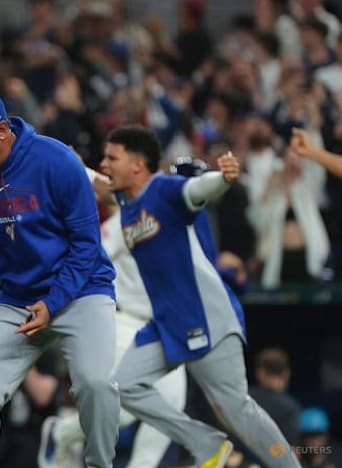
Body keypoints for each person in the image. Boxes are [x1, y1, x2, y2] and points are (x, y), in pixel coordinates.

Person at [0, 89, 120, 468]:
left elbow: (85, 247)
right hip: (18, 299)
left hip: (82, 291)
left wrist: (54, 303)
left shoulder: (57, 161)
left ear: (2, 130)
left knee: (95, 384)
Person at [99, 124, 299, 468]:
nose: (104, 163)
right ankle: (206, 443)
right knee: (125, 385)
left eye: (111, 157)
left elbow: (196, 189)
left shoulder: (164, 189)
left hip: (206, 317)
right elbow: (96, 183)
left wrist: (223, 178)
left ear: (137, 165)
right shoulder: (126, 200)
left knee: (237, 408)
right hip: (166, 323)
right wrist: (63, 161)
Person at [38, 166, 188, 468]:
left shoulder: (186, 227)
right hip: (124, 321)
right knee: (127, 406)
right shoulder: (128, 221)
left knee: (170, 409)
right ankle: (62, 431)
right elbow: (90, 254)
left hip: (163, 330)